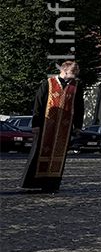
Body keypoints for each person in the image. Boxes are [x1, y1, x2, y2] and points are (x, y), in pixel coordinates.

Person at [20, 61, 85, 192]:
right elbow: (38, 105)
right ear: (65, 71)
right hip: (46, 126)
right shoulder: (48, 83)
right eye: (73, 73)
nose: (74, 76)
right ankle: (33, 182)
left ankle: (52, 184)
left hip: (64, 128)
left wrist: (77, 126)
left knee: (58, 156)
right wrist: (36, 124)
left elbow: (79, 107)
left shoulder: (76, 86)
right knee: (39, 153)